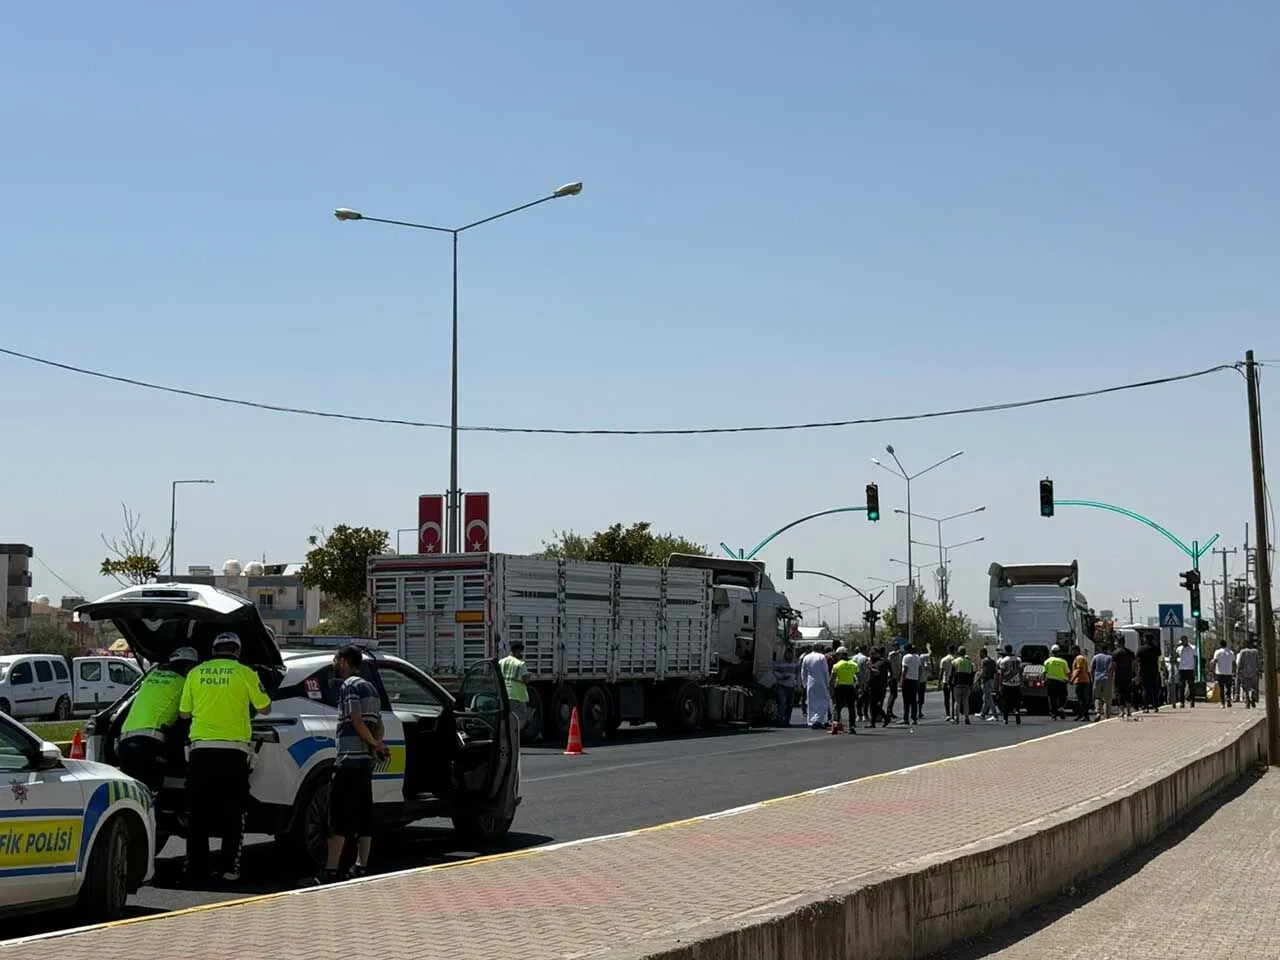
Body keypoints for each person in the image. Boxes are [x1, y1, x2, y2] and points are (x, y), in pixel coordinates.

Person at [179, 631, 271, 883]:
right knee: (234, 812)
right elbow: (265, 708)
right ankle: (230, 867)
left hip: (200, 751)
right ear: (237, 652)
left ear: (214, 650)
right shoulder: (246, 673)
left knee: (197, 814)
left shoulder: (195, 673)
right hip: (234, 752)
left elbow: (184, 713)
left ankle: (196, 869)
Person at [310, 645, 389, 885]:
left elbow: (355, 719)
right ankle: (362, 866)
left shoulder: (349, 686)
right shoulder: (370, 687)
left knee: (338, 815)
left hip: (348, 760)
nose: (335, 663)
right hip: (364, 763)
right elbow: (377, 722)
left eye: (336, 659)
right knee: (364, 814)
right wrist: (377, 743)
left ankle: (331, 869)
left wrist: (373, 743)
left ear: (344, 661)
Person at [117, 646, 199, 792]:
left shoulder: (151, 676)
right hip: (149, 744)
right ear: (189, 666)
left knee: (132, 795)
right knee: (150, 792)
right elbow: (188, 716)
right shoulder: (184, 683)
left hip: (125, 742)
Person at [499, 639, 533, 732]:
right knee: (519, 720)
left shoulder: (501, 662)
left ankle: (504, 736)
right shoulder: (520, 664)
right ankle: (513, 738)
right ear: (518, 651)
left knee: (504, 718)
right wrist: (529, 676)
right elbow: (526, 680)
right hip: (517, 696)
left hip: (503, 694)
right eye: (521, 651)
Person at [801, 644, 832, 729]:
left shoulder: (806, 657)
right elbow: (825, 671)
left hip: (810, 682)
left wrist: (804, 683)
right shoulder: (821, 657)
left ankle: (813, 721)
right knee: (824, 702)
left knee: (812, 703)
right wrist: (827, 683)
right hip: (820, 682)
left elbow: (803, 671)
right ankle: (818, 720)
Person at [829, 650, 859, 733]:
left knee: (837, 707)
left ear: (840, 656)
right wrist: (859, 688)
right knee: (851, 707)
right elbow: (857, 677)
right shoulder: (854, 664)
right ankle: (852, 727)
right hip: (850, 687)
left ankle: (835, 726)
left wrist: (831, 689)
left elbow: (832, 679)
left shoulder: (837, 665)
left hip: (840, 687)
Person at [995, 645, 1023, 724]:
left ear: (1006, 651)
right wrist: (1021, 681)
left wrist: (1000, 685)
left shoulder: (1003, 661)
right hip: (1016, 683)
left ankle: (1005, 718)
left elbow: (1002, 674)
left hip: (1007, 683)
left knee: (1006, 701)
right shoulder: (1018, 659)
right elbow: (1020, 671)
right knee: (1017, 700)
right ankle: (1017, 711)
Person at [1042, 645, 1070, 721]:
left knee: (1052, 698)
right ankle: (1061, 707)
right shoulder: (1063, 662)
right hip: (1061, 682)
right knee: (1063, 696)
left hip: (1051, 682)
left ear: (1051, 652)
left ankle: (1053, 714)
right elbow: (1067, 672)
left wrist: (1044, 680)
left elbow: (1044, 672)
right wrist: (1068, 680)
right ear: (1059, 652)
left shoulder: (1047, 661)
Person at [1111, 638, 1136, 720]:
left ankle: (1122, 711)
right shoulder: (1130, 652)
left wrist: (1113, 676)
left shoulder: (1115, 653)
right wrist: (1132, 674)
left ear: (1118, 642)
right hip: (1128, 675)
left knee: (1119, 693)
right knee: (1128, 692)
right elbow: (1133, 664)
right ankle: (1128, 711)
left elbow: (1114, 666)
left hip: (1119, 675)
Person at [1137, 635, 1162, 712]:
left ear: (1146, 639)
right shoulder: (1156, 648)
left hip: (1144, 672)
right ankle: (1155, 707)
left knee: (1145, 690)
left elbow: (1138, 660)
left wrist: (1138, 674)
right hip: (1154, 671)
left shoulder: (1141, 649)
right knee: (1154, 690)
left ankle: (1146, 707)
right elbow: (1159, 657)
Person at [899, 644, 922, 726]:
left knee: (906, 701)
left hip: (907, 680)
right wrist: (918, 680)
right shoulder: (917, 657)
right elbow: (920, 669)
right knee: (913, 700)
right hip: (914, 680)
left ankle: (905, 718)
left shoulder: (906, 657)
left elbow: (905, 670)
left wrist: (901, 681)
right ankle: (914, 718)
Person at [1091, 643, 1115, 721]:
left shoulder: (1096, 657)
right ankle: (1107, 715)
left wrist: (1093, 678)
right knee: (1107, 698)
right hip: (1107, 678)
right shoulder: (1110, 657)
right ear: (1107, 649)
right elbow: (1112, 668)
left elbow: (1092, 668)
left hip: (1097, 678)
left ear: (1100, 649)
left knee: (1097, 697)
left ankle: (1098, 712)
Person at [951, 647, 975, 725]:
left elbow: (952, 674)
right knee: (965, 702)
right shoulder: (969, 662)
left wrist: (949, 683)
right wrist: (971, 685)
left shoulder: (955, 661)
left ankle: (956, 718)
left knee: (957, 702)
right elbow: (971, 675)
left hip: (957, 685)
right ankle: (966, 718)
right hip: (966, 685)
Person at [775, 646, 798, 725]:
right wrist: (782, 676)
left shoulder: (795, 663)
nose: (789, 656)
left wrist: (797, 684)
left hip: (791, 686)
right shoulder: (780, 662)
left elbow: (797, 674)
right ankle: (780, 720)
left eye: (791, 654)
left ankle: (787, 720)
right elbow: (774, 672)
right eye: (788, 654)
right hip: (782, 685)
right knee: (782, 703)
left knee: (790, 704)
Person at [866, 649, 889, 728]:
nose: (871, 656)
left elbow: (877, 672)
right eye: (870, 654)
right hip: (875, 686)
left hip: (877, 687)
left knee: (873, 705)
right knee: (875, 705)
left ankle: (874, 722)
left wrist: (870, 667)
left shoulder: (879, 663)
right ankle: (884, 717)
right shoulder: (879, 662)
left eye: (873, 654)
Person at [1069, 645, 1092, 721]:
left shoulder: (1079, 658)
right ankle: (1081, 715)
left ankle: (1085, 716)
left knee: (1082, 699)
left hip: (1081, 681)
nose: (1071, 653)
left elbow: (1079, 670)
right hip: (1081, 680)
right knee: (1080, 699)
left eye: (1073, 651)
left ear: (1076, 650)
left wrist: (1072, 679)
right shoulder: (1078, 658)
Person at [1211, 638, 1235, 708]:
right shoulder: (1231, 652)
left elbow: (1215, 660)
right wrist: (1234, 671)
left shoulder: (1217, 652)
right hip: (1228, 673)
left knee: (1221, 688)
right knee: (1228, 687)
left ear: (1220, 645)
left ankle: (1222, 703)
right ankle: (1228, 698)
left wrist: (1211, 667)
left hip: (1220, 673)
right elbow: (1234, 663)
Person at [1237, 639, 1260, 708]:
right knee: (1254, 687)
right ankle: (1253, 698)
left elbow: (1240, 663)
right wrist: (1259, 670)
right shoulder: (1255, 652)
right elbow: (1258, 663)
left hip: (1245, 673)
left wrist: (1238, 671)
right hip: (1254, 673)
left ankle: (1247, 702)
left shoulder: (1242, 652)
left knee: (1246, 688)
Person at [1175, 637, 1197, 707]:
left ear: (1187, 640)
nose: (1184, 642)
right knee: (1181, 686)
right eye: (1182, 641)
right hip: (1182, 669)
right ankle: (1182, 702)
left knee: (1191, 686)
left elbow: (1195, 658)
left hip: (1190, 669)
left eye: (1185, 640)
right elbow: (1175, 657)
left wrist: (1195, 668)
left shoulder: (1193, 648)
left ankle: (1192, 701)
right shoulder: (1179, 649)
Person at [979, 647, 999, 722]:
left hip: (986, 680)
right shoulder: (992, 661)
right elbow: (996, 671)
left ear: (982, 653)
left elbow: (983, 671)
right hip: (991, 680)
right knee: (986, 697)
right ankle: (983, 713)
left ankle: (995, 715)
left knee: (989, 698)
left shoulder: (984, 661)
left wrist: (977, 680)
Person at [885, 643, 903, 721]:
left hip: (896, 676)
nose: (897, 648)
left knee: (894, 695)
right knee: (893, 694)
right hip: (892, 676)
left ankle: (890, 711)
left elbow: (899, 666)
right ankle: (888, 712)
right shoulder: (891, 654)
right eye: (896, 647)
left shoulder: (899, 656)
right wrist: (896, 653)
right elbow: (890, 657)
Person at [939, 646, 956, 722]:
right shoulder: (955, 660)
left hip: (945, 681)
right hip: (954, 681)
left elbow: (941, 672)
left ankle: (947, 714)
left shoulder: (944, 659)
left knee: (946, 698)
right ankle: (953, 714)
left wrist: (939, 682)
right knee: (954, 699)